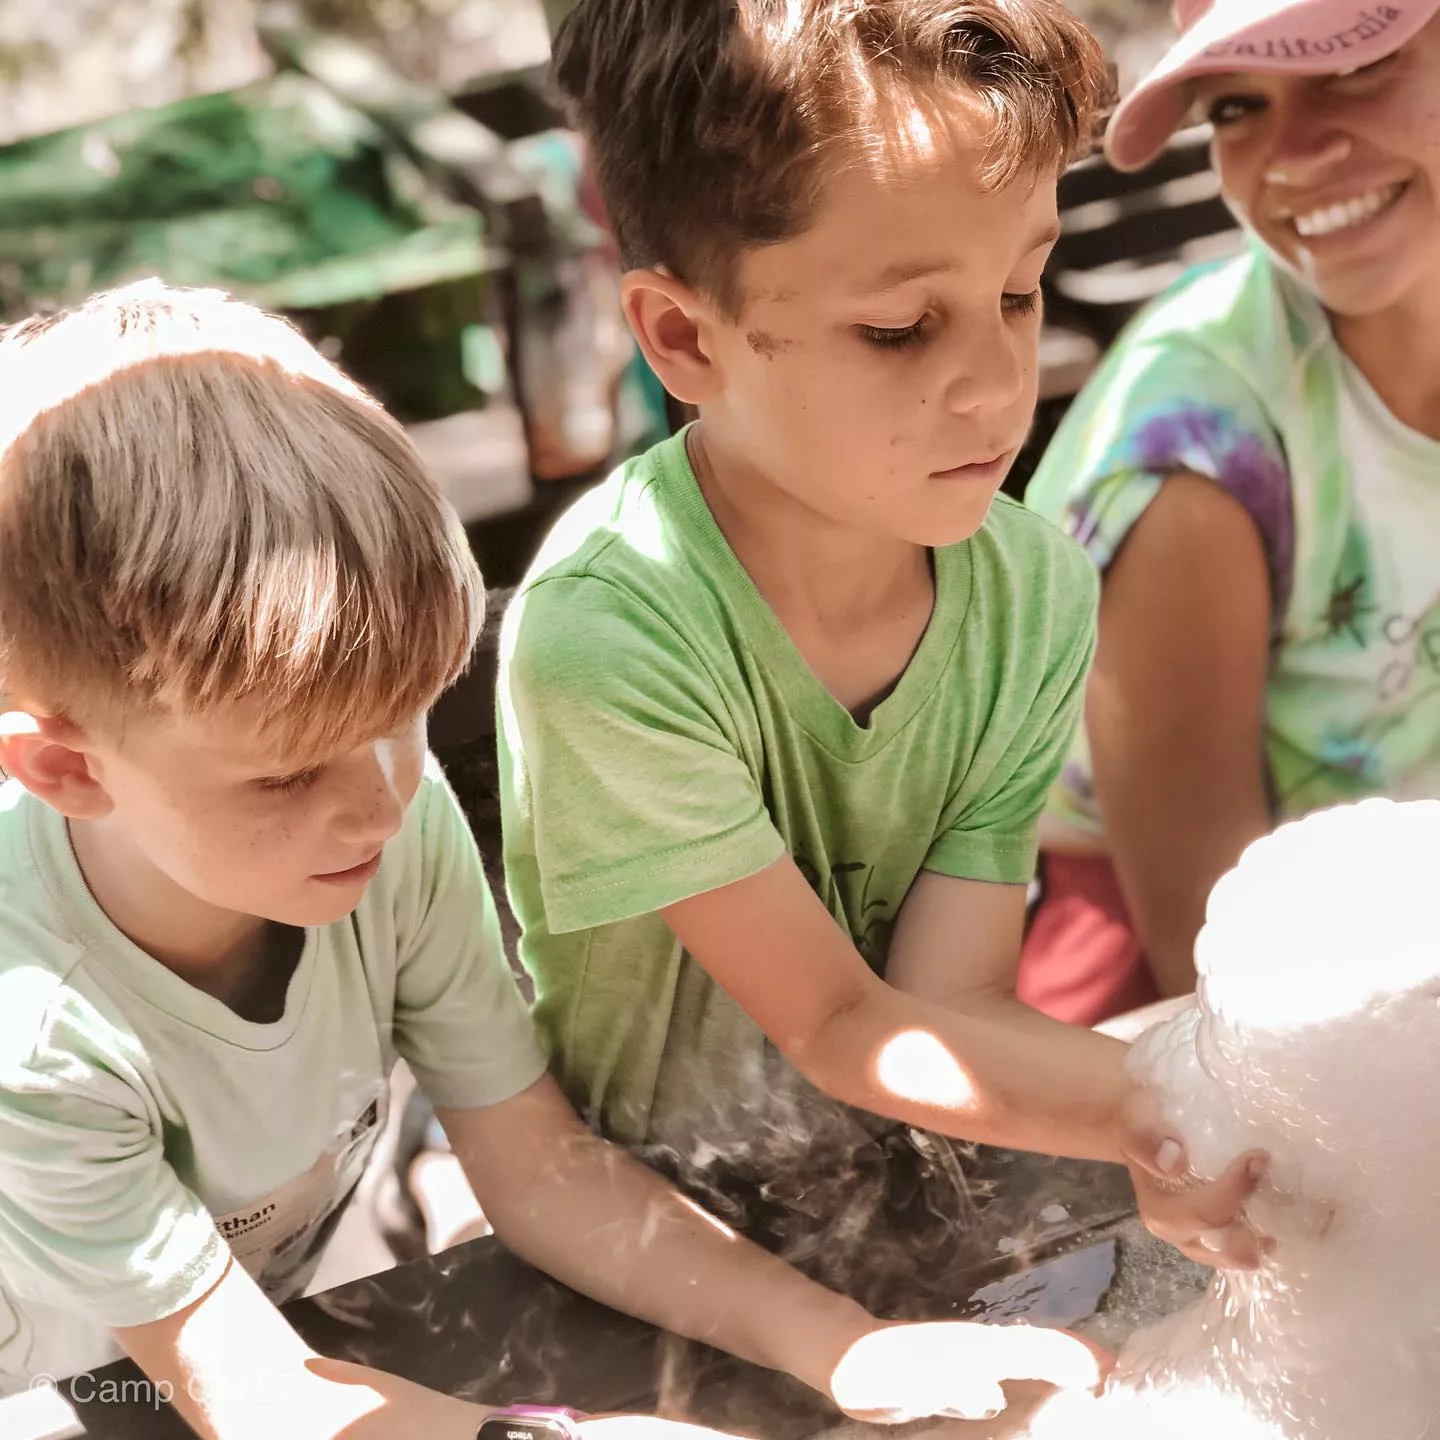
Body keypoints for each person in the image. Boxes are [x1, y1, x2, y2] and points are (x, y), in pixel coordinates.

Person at [0, 281, 1112, 1439]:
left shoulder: (378, 822)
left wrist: (838, 1345)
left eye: (401, 721)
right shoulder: (33, 1033)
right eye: (284, 778)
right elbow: (245, 1390)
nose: (378, 806)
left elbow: (536, 1165)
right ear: (65, 769)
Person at [496, 0, 1261, 1295]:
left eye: (1018, 292)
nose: (996, 383)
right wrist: (1163, 1108)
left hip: (910, 1201)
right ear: (683, 338)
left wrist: (1196, 1116)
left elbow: (951, 1007)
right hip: (658, 1246)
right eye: (900, 328)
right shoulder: (612, 633)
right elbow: (841, 1021)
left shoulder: (1031, 595)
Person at [1020, 0, 1440, 1025]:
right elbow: (1217, 964)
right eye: (1238, 106)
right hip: (1178, 992)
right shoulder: (1193, 455)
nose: (1294, 155)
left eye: (1352, 69)